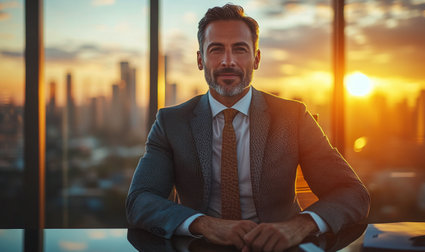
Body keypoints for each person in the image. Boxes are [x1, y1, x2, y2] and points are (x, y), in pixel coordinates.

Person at [126, 3, 370, 252]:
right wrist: (204, 224)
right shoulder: (171, 122)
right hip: (198, 246)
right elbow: (139, 201)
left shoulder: (293, 116)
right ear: (200, 60)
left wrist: (299, 225)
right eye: (216, 49)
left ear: (256, 59)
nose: (228, 61)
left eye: (240, 50)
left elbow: (352, 193)